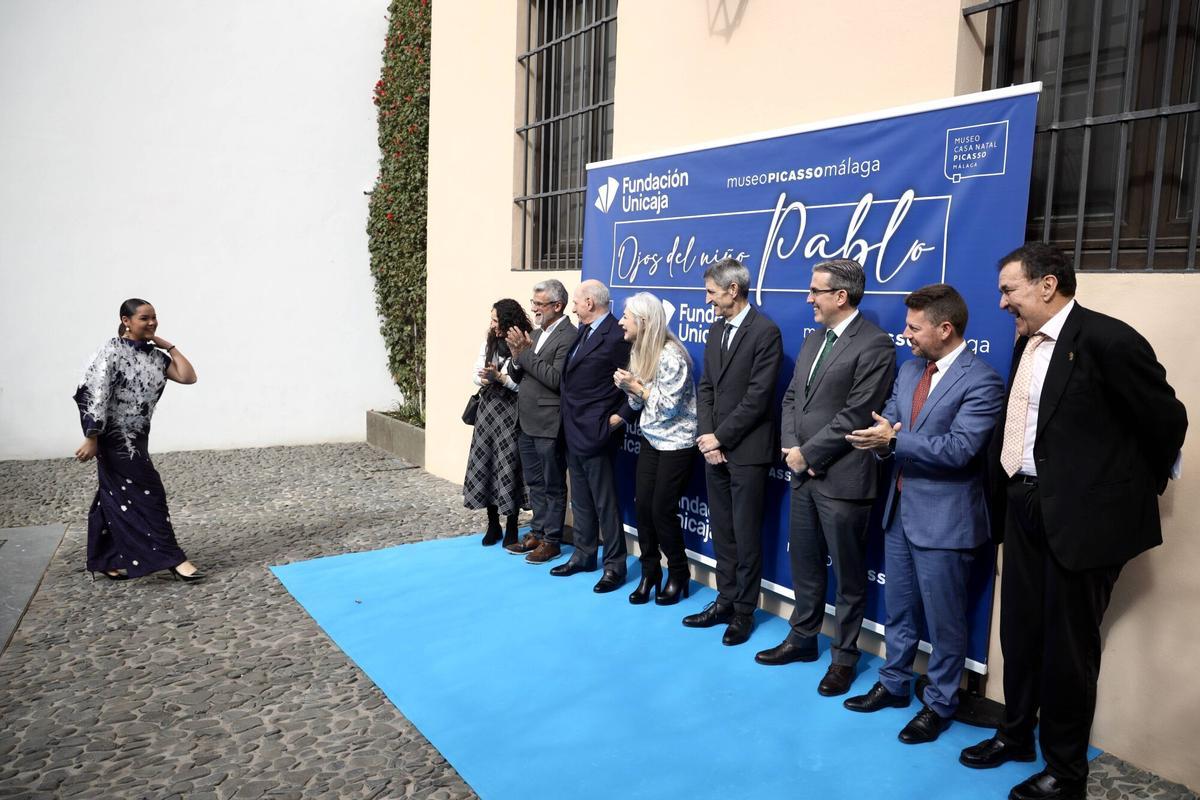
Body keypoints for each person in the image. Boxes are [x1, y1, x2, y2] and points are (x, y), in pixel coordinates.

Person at [959, 244, 1186, 800]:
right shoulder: (1029, 343)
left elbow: (1167, 421)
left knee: (1068, 649)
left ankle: (1066, 772)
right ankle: (1015, 736)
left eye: (1010, 289)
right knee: (1020, 632)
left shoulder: (1109, 340)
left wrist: (1120, 493)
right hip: (1026, 505)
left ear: (1048, 284)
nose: (1002, 300)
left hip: (1083, 521)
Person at [842, 284, 1003, 744]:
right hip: (901, 510)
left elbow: (960, 450)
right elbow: (890, 419)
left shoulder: (982, 381)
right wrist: (880, 436)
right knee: (900, 611)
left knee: (945, 621)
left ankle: (940, 703)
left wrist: (893, 441)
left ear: (945, 328)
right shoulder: (911, 369)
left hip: (947, 522)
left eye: (914, 327)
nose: (905, 334)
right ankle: (894, 684)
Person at [756, 258, 894, 697]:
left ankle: (844, 658)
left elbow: (857, 412)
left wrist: (809, 455)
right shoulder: (816, 339)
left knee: (850, 578)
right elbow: (792, 397)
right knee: (806, 564)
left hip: (843, 479)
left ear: (841, 295)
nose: (808, 298)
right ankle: (802, 639)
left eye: (816, 291)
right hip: (803, 473)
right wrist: (794, 450)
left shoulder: (875, 346)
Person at [685, 258, 783, 646]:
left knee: (745, 535)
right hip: (715, 449)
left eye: (711, 292)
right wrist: (708, 436)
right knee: (723, 532)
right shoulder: (715, 330)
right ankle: (724, 600)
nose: (707, 299)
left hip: (747, 451)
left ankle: (744, 612)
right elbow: (707, 387)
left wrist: (720, 438)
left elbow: (758, 398)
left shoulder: (765, 332)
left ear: (733, 290)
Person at [73, 298, 204, 582]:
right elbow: (95, 394)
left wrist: (167, 345)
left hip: (138, 436)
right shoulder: (111, 352)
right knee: (150, 492)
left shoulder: (155, 357)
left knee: (114, 495)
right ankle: (173, 557)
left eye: (154, 317)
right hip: (113, 438)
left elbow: (187, 376)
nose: (152, 322)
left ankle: (104, 558)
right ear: (126, 320)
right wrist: (92, 437)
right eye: (144, 318)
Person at [612, 292, 699, 605]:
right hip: (651, 439)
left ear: (644, 322)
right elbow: (639, 403)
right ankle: (651, 572)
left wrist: (636, 388)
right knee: (643, 506)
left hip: (677, 442)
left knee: (662, 509)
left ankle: (678, 573)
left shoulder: (671, 355)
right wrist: (630, 389)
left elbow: (668, 407)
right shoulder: (640, 350)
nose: (621, 322)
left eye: (626, 317)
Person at [550, 280, 632, 592]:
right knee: (581, 498)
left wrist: (620, 417)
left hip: (598, 431)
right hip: (572, 428)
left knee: (605, 502)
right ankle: (584, 555)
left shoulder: (615, 335)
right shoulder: (584, 330)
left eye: (575, 302)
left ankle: (614, 566)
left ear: (589, 303)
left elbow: (635, 377)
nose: (572, 307)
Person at [504, 279, 576, 564]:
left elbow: (556, 379)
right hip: (527, 419)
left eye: (539, 304)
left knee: (552, 483)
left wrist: (525, 354)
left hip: (549, 420)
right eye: (533, 303)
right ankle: (537, 530)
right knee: (534, 481)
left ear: (557, 306)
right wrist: (514, 357)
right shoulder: (534, 333)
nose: (533, 309)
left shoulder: (568, 336)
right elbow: (519, 374)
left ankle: (552, 540)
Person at [463, 299, 532, 547]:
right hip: (487, 411)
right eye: (491, 320)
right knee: (487, 463)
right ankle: (493, 525)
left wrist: (500, 378)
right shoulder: (489, 342)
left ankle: (512, 526)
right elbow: (474, 373)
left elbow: (523, 385)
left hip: (510, 412)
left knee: (510, 465)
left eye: (495, 320)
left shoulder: (525, 342)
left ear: (507, 320)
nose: (492, 325)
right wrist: (484, 379)